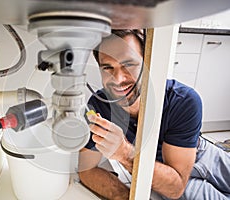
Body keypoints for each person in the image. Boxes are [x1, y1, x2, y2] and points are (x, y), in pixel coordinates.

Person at [78, 29, 230, 200]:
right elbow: (86, 169)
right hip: (161, 171)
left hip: (194, 151)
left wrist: (125, 153)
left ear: (147, 62)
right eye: (108, 68)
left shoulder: (183, 100)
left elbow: (176, 184)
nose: (118, 79)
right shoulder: (99, 106)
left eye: (128, 64)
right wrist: (126, 196)